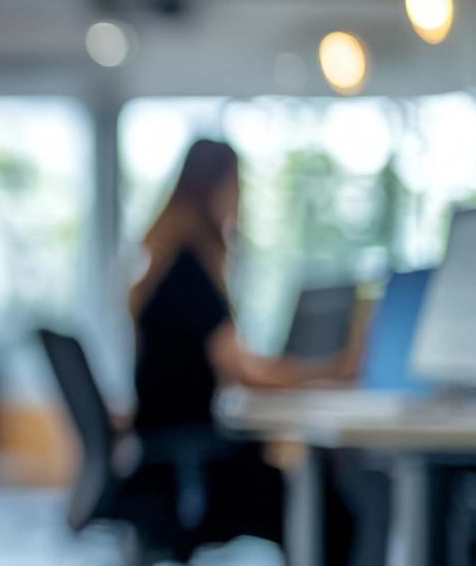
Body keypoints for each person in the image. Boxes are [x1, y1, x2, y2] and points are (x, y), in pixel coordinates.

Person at [125, 139, 359, 559]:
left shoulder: (170, 264)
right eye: (235, 187)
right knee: (331, 510)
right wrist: (328, 372)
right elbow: (243, 369)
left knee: (316, 487)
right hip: (192, 469)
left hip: (169, 462)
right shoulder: (189, 269)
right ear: (215, 189)